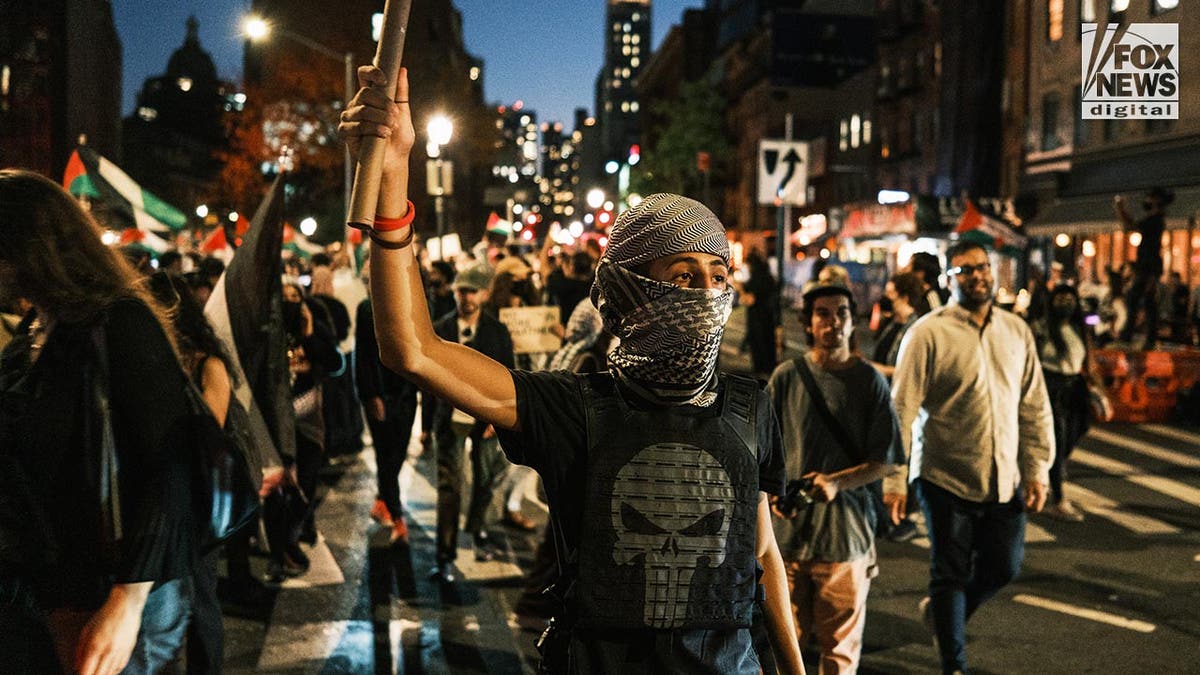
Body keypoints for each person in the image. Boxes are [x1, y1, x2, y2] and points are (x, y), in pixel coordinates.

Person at [338, 65, 805, 674]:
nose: (706, 293)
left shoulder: (749, 407)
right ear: (630, 290)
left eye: (718, 277)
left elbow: (761, 553)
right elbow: (413, 349)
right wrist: (394, 176)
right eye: (683, 276)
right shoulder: (574, 408)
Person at [0, 169, 195, 675]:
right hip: (51, 587)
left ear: (28, 250)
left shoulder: (120, 321)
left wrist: (126, 603)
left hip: (114, 594)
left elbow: (172, 465)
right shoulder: (37, 332)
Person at [889, 240, 1054, 675]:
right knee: (950, 573)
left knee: (1004, 566)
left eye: (982, 267)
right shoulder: (927, 333)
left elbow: (1034, 404)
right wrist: (894, 480)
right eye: (965, 270)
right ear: (949, 279)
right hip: (944, 475)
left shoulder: (1016, 331)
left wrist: (1038, 468)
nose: (977, 276)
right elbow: (902, 410)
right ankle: (953, 664)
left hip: (1003, 477)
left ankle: (947, 615)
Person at [768, 284, 903, 673]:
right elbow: (763, 450)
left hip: (845, 540)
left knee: (840, 655)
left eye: (842, 312)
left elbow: (885, 459)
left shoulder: (869, 382)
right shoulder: (786, 378)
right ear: (809, 324)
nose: (833, 322)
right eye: (823, 314)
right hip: (787, 541)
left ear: (852, 320)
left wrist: (837, 483)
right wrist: (773, 493)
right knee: (782, 652)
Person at [148, 272, 233, 675]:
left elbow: (210, 433)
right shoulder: (147, 361)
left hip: (196, 499)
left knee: (200, 599)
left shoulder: (208, 365)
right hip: (158, 498)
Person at [430, 264, 516, 575]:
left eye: (471, 291)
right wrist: (426, 426)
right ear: (454, 294)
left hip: (485, 417)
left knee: (485, 479)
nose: (466, 297)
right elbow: (429, 381)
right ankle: (445, 553)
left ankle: (477, 528)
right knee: (449, 486)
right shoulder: (440, 329)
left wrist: (498, 416)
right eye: (460, 291)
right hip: (449, 417)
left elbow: (509, 373)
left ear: (481, 294)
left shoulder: (496, 331)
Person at [1032, 285, 1105, 523]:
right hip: (1050, 385)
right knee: (1057, 437)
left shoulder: (1079, 327)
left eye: (1069, 298)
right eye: (1060, 298)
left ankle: (1056, 465)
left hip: (1075, 387)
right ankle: (1059, 499)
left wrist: (1098, 390)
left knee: (1079, 428)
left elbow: (1089, 361)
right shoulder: (1041, 327)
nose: (1065, 303)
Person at [355, 262, 417, 542]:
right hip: (380, 393)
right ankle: (398, 516)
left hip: (405, 394)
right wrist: (370, 395)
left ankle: (383, 499)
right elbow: (363, 356)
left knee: (397, 455)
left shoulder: (410, 306)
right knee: (385, 454)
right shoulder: (367, 309)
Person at [1115, 186, 1173, 346]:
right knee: (1147, 302)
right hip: (1149, 267)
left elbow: (1130, 226)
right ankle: (1148, 338)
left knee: (1137, 300)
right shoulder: (1156, 220)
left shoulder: (1154, 221)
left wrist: (1120, 208)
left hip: (1148, 267)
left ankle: (1130, 335)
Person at [869, 271, 922, 381]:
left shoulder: (915, 328)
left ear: (904, 298)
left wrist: (878, 369)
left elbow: (910, 370)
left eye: (890, 293)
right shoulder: (891, 322)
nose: (885, 297)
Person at [739, 249, 780, 378]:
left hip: (757, 318)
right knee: (768, 343)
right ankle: (769, 371)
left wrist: (740, 288)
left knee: (759, 344)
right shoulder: (768, 278)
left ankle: (762, 374)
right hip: (769, 316)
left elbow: (749, 300)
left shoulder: (755, 280)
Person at [909, 252, 949, 317]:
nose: (905, 271)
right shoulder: (919, 295)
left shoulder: (931, 297)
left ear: (920, 274)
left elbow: (937, 322)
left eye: (909, 267)